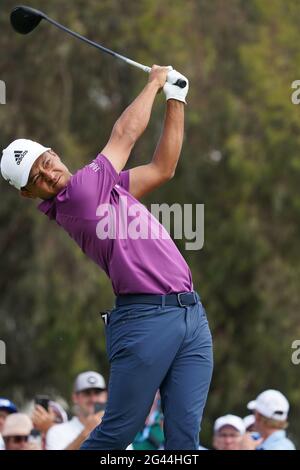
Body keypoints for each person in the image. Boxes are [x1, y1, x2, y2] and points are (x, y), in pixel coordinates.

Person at [1, 65, 213, 450]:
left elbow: (163, 169)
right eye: (36, 179)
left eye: (46, 162)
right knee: (115, 436)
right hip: (146, 319)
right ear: (29, 194)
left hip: (191, 315)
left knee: (184, 441)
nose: (49, 175)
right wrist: (155, 81)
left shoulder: (101, 189)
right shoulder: (80, 197)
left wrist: (176, 99)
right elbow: (124, 135)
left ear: (54, 153)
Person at [46, 371, 107, 450]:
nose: (93, 399)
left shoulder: (117, 429)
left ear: (106, 396)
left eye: (97, 393)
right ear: (75, 398)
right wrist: (87, 431)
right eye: (87, 393)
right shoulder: (57, 432)